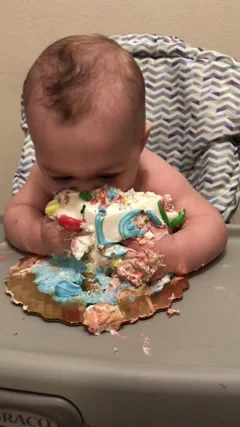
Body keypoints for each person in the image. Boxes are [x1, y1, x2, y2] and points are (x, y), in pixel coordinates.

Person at [3, 34, 227, 277]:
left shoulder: (151, 175)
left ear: (140, 144)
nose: (85, 189)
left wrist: (173, 253)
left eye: (107, 175)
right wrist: (39, 236)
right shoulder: (43, 173)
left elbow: (210, 224)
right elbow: (16, 214)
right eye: (62, 178)